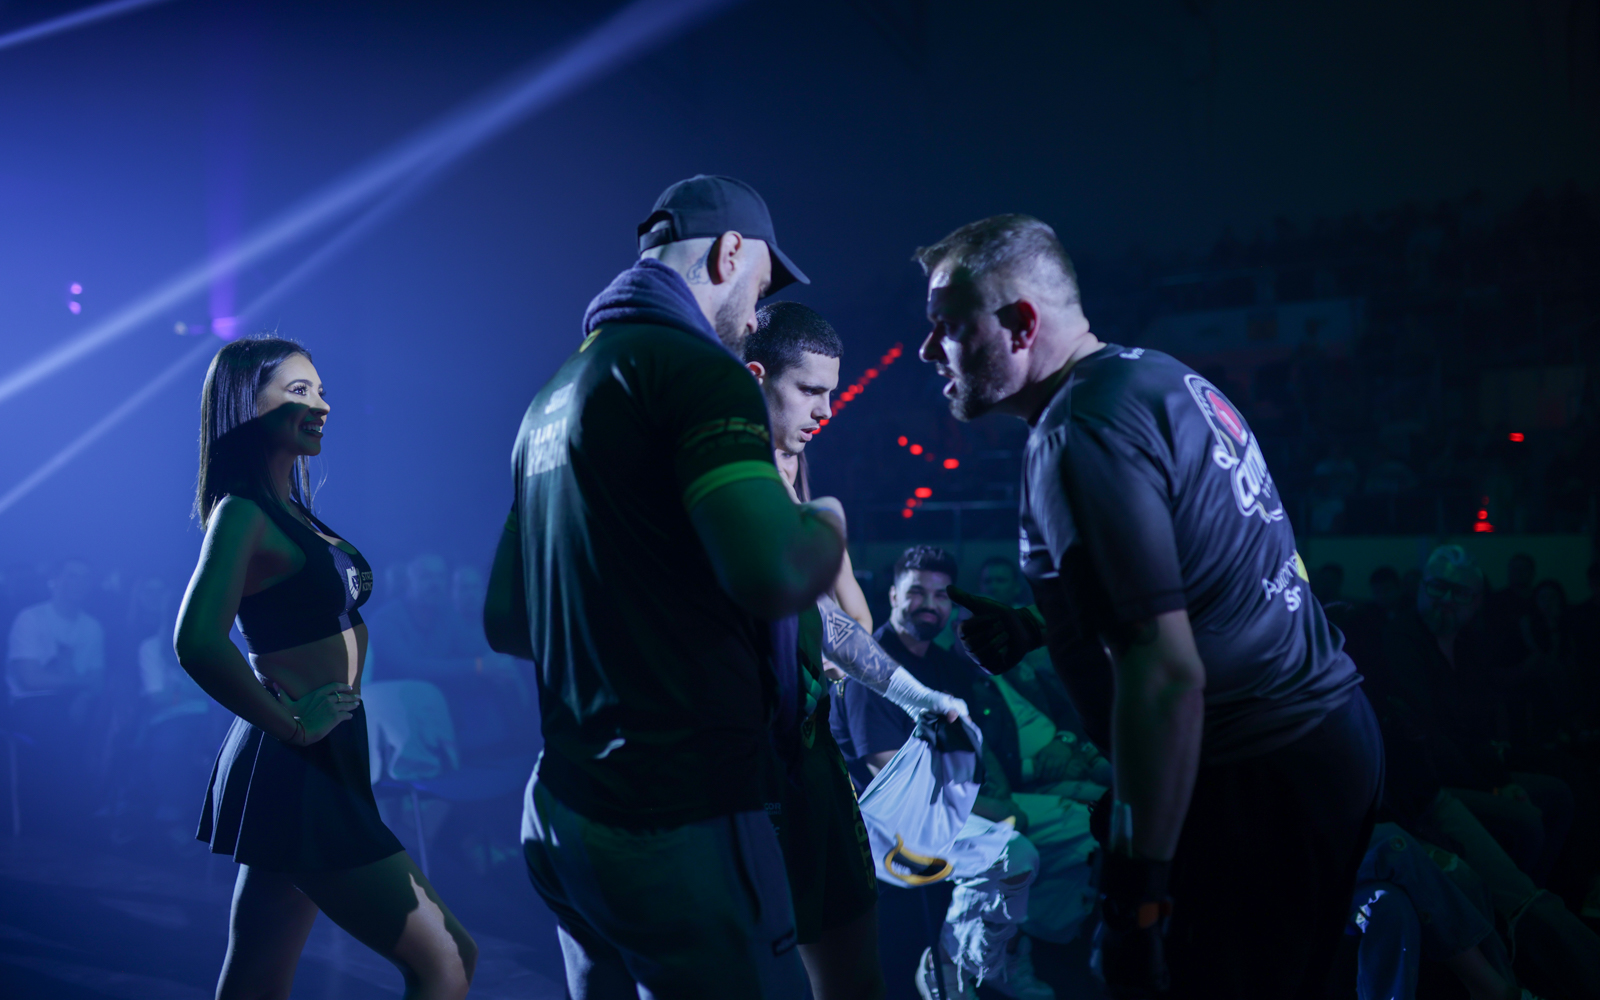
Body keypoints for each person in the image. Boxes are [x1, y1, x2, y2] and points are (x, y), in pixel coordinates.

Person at [917, 214, 1382, 999]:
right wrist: (1043, 628)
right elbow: (1205, 581)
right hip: (1322, 745)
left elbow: (1164, 675)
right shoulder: (1157, 378)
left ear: (1022, 324)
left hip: (1253, 775)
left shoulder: (1076, 434)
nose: (929, 349)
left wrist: (1136, 896)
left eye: (948, 326)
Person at [485, 174, 844, 1000]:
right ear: (728, 253)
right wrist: (824, 519)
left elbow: (507, 619)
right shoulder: (699, 373)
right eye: (760, 288)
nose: (755, 318)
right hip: (678, 812)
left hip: (563, 806)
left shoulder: (550, 398)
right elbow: (773, 574)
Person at [175, 336, 475, 1000]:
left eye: (321, 391)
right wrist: (291, 725)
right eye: (299, 391)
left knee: (257, 975)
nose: (323, 406)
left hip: (323, 753)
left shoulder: (291, 508)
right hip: (297, 761)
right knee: (449, 961)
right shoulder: (242, 512)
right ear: (246, 406)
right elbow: (196, 642)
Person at [831, 546, 1084, 1000]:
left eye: (940, 595)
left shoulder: (947, 665)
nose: (929, 604)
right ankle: (951, 965)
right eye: (916, 592)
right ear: (892, 595)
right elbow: (887, 772)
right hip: (895, 822)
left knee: (1081, 827)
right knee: (1015, 854)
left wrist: (1001, 794)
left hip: (957, 802)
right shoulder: (872, 665)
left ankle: (1004, 948)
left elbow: (976, 747)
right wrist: (992, 808)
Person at [5, 557, 106, 837]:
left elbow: (97, 681)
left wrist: (82, 697)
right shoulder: (31, 618)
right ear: (55, 580)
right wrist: (79, 685)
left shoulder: (92, 627)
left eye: (85, 577)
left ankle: (82, 816)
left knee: (95, 726)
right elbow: (30, 679)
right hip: (31, 703)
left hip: (76, 700)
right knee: (56, 728)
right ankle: (51, 820)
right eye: (72, 575)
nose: (78, 583)